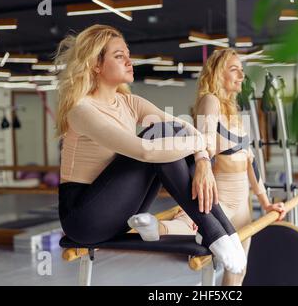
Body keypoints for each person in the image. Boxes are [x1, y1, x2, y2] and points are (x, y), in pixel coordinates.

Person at [55, 25, 246, 274]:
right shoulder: (82, 110)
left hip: (117, 210)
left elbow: (183, 128)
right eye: (119, 55)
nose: (129, 61)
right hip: (84, 219)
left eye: (128, 54)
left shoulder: (128, 102)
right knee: (160, 138)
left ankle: (218, 229)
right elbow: (146, 152)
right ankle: (217, 231)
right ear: (96, 65)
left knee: (170, 132)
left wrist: (202, 162)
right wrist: (201, 144)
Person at [130, 48, 287, 285]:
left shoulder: (236, 112)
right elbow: (202, 142)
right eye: (234, 69)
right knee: (192, 226)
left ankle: (161, 227)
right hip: (221, 196)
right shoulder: (210, 101)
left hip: (243, 203)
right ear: (217, 73)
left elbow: (250, 163)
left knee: (238, 271)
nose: (241, 76)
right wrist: (202, 165)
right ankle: (156, 228)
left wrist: (265, 202)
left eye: (242, 70)